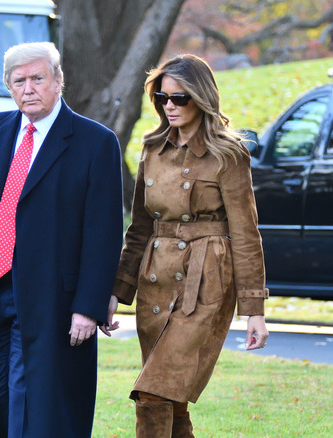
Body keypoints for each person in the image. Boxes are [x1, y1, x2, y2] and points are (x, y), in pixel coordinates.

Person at [0, 42, 123, 437]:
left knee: (31, 404)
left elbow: (104, 233)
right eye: (19, 81)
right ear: (9, 87)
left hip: (51, 297)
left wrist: (89, 306)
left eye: (37, 78)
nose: (28, 88)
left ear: (58, 81)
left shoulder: (95, 142)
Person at [104, 54, 269, 437]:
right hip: (156, 281)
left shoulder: (228, 153)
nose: (170, 106)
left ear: (202, 98)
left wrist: (254, 309)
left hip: (206, 283)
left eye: (180, 98)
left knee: (153, 391)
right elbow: (140, 229)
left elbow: (246, 233)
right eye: (163, 98)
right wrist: (117, 290)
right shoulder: (152, 148)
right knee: (170, 399)